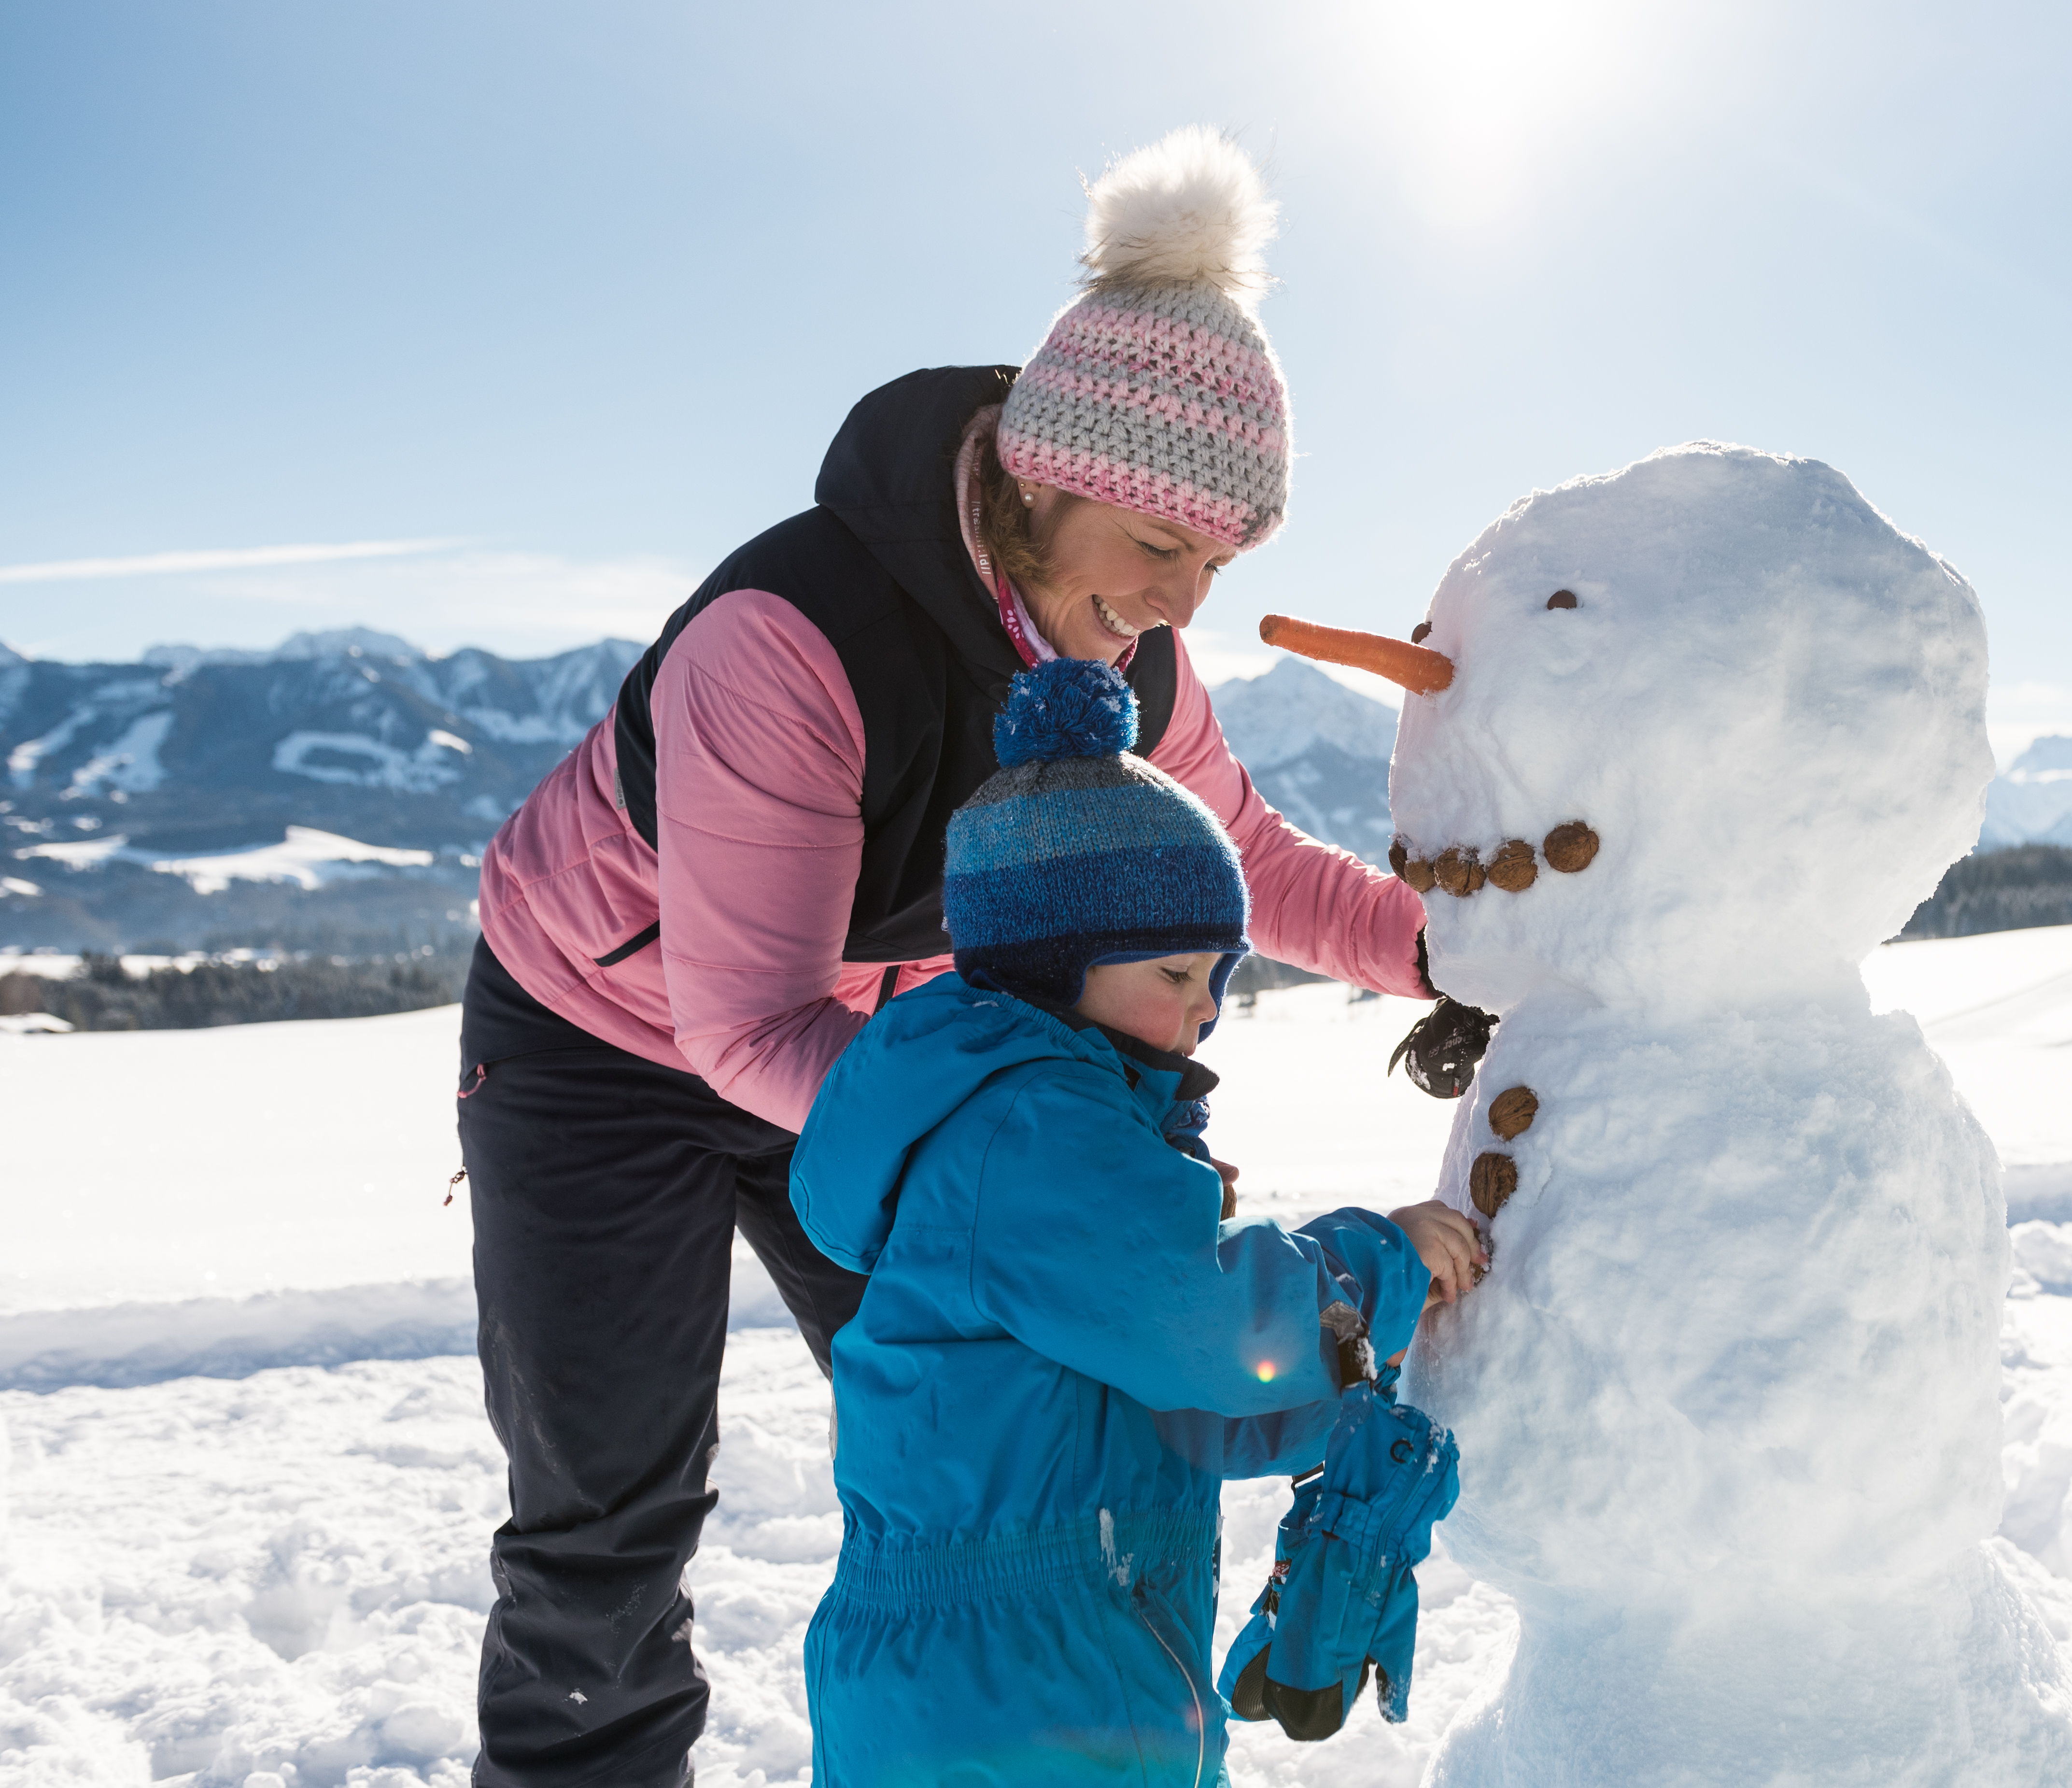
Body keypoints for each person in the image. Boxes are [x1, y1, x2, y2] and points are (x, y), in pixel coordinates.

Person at [451, 127, 1430, 1787]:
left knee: (1027, 1435)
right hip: (602, 1049)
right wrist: (1029, 1149)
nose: (1183, 602)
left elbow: (1244, 867)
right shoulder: (791, 638)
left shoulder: (1132, 659)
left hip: (906, 1063)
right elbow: (751, 1017)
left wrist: (1451, 949)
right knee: (609, 1501)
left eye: (1217, 566)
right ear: (1045, 476)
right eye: (1162, 549)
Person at [790, 657, 1477, 1785]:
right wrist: (1380, 1267)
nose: (1205, 1008)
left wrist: (1338, 1398)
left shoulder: (1053, 1118)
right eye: (1174, 971)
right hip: (1016, 1670)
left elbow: (1183, 1399)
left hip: (1043, 1641)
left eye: (1219, 975)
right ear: (1052, 965)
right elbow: (1198, 1319)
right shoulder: (1030, 1129)